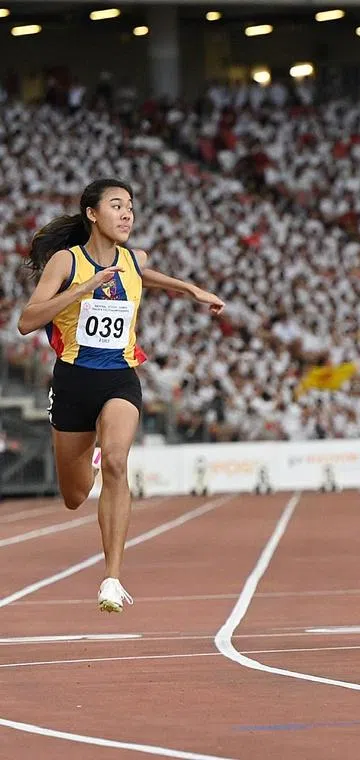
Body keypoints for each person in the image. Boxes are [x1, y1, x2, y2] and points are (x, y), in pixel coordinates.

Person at [16, 178, 224, 613]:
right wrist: (81, 289)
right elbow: (27, 320)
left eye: (130, 206)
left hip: (119, 379)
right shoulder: (65, 261)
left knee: (117, 460)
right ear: (93, 214)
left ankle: (112, 578)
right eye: (116, 205)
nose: (127, 213)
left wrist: (190, 290)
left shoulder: (133, 258)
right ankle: (90, 452)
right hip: (73, 383)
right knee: (74, 496)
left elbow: (142, 274)